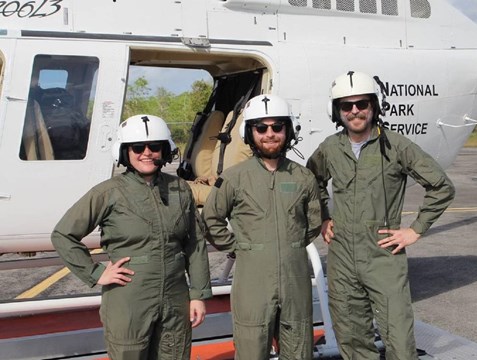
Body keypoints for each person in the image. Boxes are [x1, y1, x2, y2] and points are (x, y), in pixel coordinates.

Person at [306, 71, 456, 360]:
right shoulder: (330, 148)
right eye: (346, 106)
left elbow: (441, 186)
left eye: (361, 104)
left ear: (374, 106)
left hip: (383, 254)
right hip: (342, 258)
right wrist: (323, 217)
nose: (355, 111)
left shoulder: (396, 146)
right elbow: (311, 183)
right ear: (336, 111)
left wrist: (415, 230)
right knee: (352, 339)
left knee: (399, 340)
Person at [51, 114, 212, 360]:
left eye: (154, 146)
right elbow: (63, 235)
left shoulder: (180, 190)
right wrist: (96, 273)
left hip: (175, 299)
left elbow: (195, 244)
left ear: (165, 150)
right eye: (138, 147)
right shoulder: (107, 193)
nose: (146, 153)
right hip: (129, 299)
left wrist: (199, 294)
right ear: (125, 152)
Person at [201, 94, 321, 360]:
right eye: (261, 128)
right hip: (252, 282)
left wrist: (288, 246)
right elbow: (211, 219)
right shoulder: (234, 178)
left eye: (277, 127)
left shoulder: (303, 177)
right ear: (249, 132)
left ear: (288, 131)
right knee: (251, 351)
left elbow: (312, 223)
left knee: (299, 351)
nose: (270, 134)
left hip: (295, 280)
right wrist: (240, 247)